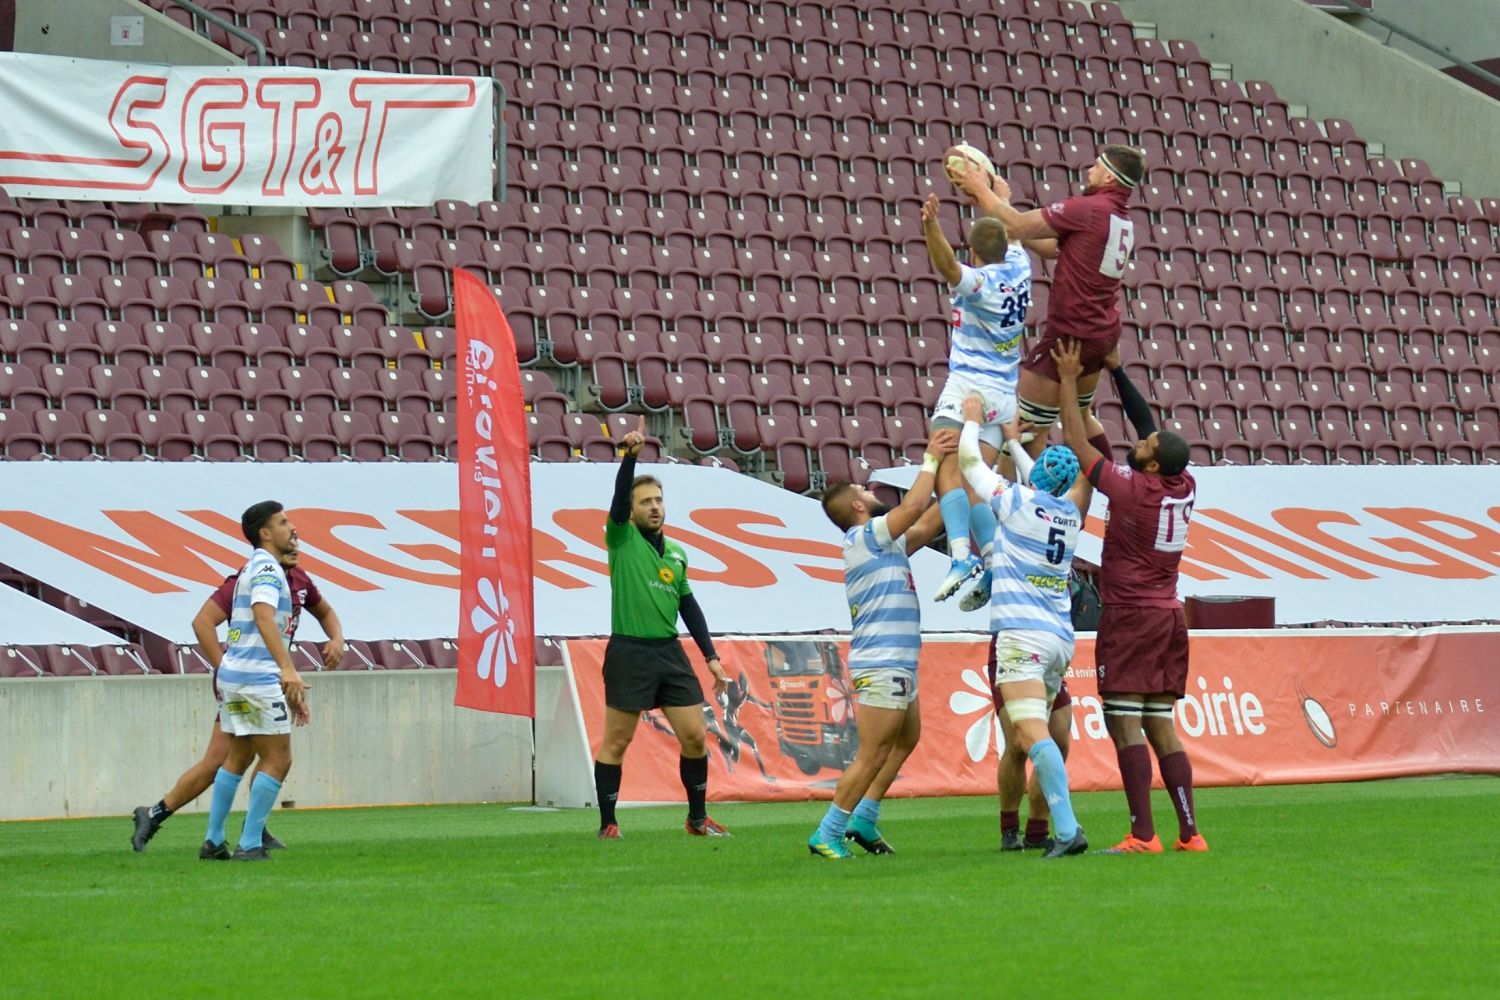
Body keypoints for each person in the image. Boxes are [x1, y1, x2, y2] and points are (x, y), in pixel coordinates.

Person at [1053, 340, 1208, 854]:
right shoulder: (1182, 483)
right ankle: (1190, 832)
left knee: (1124, 725)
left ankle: (1143, 834)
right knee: (1161, 725)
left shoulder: (1132, 491)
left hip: (1130, 616)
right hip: (1169, 615)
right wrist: (1117, 371)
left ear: (1151, 466)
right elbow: (1148, 428)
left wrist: (1068, 383)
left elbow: (1078, 445)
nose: (1141, 441)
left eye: (1146, 446)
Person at [130, 544, 344, 852]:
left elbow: (325, 612)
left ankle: (241, 832)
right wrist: (225, 668)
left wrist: (337, 638)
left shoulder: (298, 580)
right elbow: (202, 622)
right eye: (285, 530)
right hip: (246, 677)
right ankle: (158, 815)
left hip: (263, 676)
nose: (294, 542)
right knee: (231, 758)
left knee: (246, 755)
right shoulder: (246, 580)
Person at [808, 429, 955, 859]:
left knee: (907, 739)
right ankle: (826, 833)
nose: (872, 493)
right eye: (865, 491)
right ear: (858, 507)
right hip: (882, 660)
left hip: (899, 660)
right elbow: (913, 508)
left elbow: (929, 521)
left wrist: (964, 472)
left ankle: (864, 818)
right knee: (871, 754)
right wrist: (931, 459)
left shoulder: (884, 544)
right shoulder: (864, 536)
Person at [958, 395, 1093, 858]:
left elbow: (970, 465)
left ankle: (1067, 829)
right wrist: (1016, 444)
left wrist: (972, 423)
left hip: (1020, 634)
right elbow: (1042, 481)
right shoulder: (1070, 513)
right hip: (1059, 638)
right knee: (1041, 735)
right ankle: (1043, 829)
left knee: (1032, 735)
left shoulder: (1015, 501)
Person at [954, 144, 1146, 458]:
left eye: (1097, 166)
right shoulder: (1119, 217)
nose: (1090, 170)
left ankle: (1023, 491)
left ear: (1110, 177)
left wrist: (981, 189)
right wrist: (1000, 204)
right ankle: (1108, 482)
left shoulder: (1088, 209)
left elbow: (1016, 226)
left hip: (1070, 334)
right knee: (1081, 417)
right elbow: (1047, 247)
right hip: (1101, 332)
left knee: (1025, 430)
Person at [594, 416, 730, 840]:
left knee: (695, 736)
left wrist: (711, 657)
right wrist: (630, 459)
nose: (654, 506)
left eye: (658, 500)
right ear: (631, 511)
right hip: (629, 651)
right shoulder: (620, 539)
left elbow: (688, 605)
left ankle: (697, 819)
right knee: (617, 742)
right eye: (645, 502)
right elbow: (618, 501)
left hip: (669, 653)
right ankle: (608, 823)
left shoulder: (677, 553)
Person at [921, 191, 1058, 608]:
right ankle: (993, 559)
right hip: (1003, 395)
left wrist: (930, 225)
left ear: (973, 253)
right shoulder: (1020, 265)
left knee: (945, 466)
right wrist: (998, 195)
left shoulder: (981, 284)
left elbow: (947, 267)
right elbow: (1012, 230)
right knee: (974, 481)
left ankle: (961, 556)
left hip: (970, 388)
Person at [199, 501, 310, 861]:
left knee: (237, 756)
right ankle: (249, 844)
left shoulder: (252, 567)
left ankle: (214, 840)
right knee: (278, 759)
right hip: (257, 677)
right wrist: (287, 669)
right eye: (283, 522)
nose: (292, 528)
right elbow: (263, 616)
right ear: (266, 533)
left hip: (235, 674)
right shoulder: (266, 569)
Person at [990, 649, 1074, 851]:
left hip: (1049, 649)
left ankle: (1037, 832)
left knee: (1059, 741)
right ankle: (1009, 829)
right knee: (1018, 742)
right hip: (1015, 650)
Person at [717, 673, 776, 782]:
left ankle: (765, 775)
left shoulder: (744, 695)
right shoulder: (734, 690)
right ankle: (722, 745)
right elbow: (726, 681)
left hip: (734, 726)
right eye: (744, 684)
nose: (745, 687)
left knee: (752, 745)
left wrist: (768, 706)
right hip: (728, 725)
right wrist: (724, 679)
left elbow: (755, 701)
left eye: (746, 685)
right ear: (740, 684)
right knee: (735, 757)